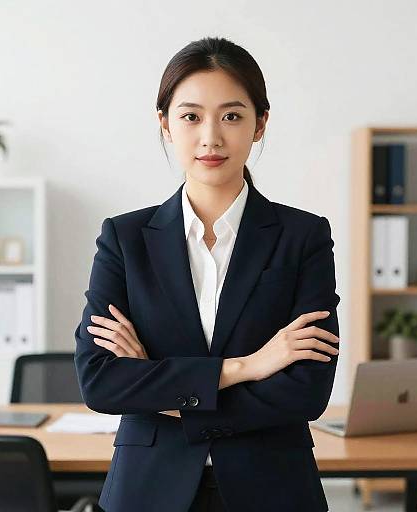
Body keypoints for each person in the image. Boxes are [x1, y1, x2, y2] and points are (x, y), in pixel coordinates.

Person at [74, 36, 340, 512]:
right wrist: (248, 367)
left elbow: (306, 391)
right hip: (148, 490)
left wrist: (162, 389)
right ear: (165, 124)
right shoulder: (124, 238)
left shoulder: (303, 237)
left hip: (273, 489)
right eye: (191, 116)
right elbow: (101, 381)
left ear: (260, 125)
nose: (211, 137)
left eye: (232, 116)